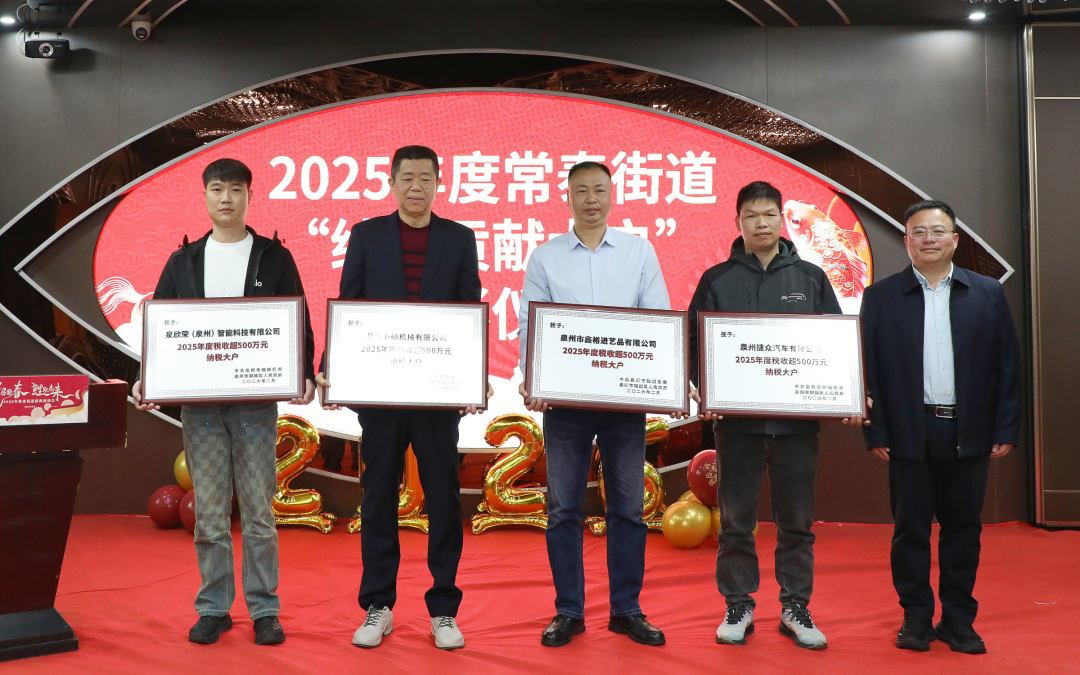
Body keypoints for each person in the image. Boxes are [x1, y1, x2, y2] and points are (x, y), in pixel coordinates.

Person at [132, 157, 317, 646]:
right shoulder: (183, 261)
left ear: (250, 195)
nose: (227, 198)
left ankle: (264, 609)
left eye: (236, 189)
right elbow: (161, 327)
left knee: (258, 511)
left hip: (255, 402)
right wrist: (146, 379)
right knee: (211, 513)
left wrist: (303, 371)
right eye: (217, 189)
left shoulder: (274, 258)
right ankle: (214, 607)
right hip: (202, 407)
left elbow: (297, 320)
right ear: (206, 196)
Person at [316, 145, 487, 651]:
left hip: (436, 397)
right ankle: (378, 606)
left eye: (426, 178)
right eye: (407, 177)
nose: (417, 186)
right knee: (377, 499)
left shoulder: (459, 238)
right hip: (381, 396)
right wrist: (332, 369)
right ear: (391, 183)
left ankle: (444, 609)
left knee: (444, 500)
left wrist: (473, 375)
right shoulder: (367, 235)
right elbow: (349, 304)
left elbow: (469, 309)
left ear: (439, 184)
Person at [687, 180, 865, 650]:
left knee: (796, 523)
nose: (761, 223)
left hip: (795, 428)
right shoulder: (716, 279)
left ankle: (795, 607)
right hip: (736, 427)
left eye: (769, 214)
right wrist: (708, 389)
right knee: (735, 522)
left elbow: (836, 344)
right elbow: (693, 343)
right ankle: (738, 604)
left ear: (781, 219)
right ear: (738, 221)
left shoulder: (810, 277)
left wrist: (848, 393)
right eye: (751, 215)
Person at [517, 161, 670, 648]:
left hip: (624, 403)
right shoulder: (545, 256)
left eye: (599, 190)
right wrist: (532, 376)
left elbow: (657, 320)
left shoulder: (638, 251)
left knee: (628, 508)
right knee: (563, 508)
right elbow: (530, 325)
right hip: (565, 404)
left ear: (612, 195)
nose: (590, 199)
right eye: (580, 190)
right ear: (566, 197)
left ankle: (627, 610)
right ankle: (568, 611)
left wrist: (663, 382)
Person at [861, 199, 1021, 655]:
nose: (928, 239)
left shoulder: (986, 292)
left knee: (963, 528)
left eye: (937, 231)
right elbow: (867, 371)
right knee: (909, 529)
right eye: (918, 231)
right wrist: (876, 431)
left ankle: (957, 619)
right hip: (908, 430)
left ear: (954, 239)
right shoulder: (881, 296)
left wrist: (1005, 428)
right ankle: (915, 617)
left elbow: (1007, 365)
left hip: (969, 429)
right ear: (905, 240)